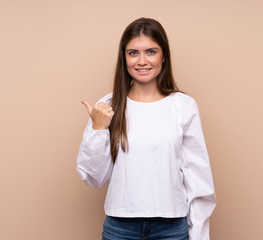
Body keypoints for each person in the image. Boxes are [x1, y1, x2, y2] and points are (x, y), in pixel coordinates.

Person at [77, 17, 216, 240]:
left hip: (171, 228)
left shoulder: (183, 106)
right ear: (124, 58)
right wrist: (98, 129)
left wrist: (198, 234)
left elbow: (198, 179)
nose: (142, 61)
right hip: (120, 228)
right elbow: (95, 178)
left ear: (164, 57)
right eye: (133, 53)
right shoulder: (109, 107)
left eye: (151, 51)